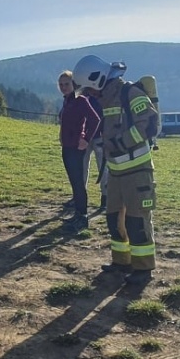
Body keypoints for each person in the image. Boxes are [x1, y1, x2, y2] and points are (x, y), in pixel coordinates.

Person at [74, 54, 157, 287]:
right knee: (114, 220)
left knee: (137, 222)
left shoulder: (130, 94)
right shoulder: (107, 100)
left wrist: (120, 144)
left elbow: (150, 124)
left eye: (89, 90)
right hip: (117, 172)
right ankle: (122, 262)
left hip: (138, 171)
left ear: (98, 80)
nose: (89, 95)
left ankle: (143, 269)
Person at [56, 70, 101, 221]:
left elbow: (95, 119)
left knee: (78, 183)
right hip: (67, 147)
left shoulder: (81, 100)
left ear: (74, 84)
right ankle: (78, 213)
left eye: (66, 84)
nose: (63, 87)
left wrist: (86, 139)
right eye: (61, 84)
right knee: (74, 182)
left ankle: (82, 215)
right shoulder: (66, 100)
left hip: (76, 148)